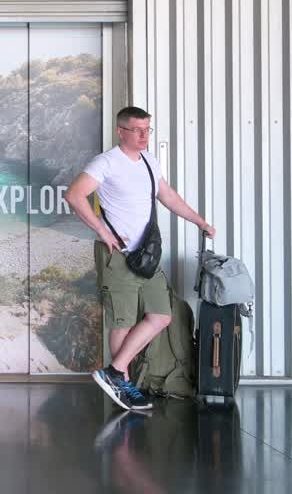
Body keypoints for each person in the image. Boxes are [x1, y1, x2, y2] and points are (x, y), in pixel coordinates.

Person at [65, 106, 215, 410]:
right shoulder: (106, 162)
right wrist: (102, 231)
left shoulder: (148, 161)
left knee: (161, 314)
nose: (144, 135)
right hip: (116, 255)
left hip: (145, 256)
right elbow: (74, 195)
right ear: (121, 131)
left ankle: (114, 372)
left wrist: (200, 222)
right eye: (137, 130)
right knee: (122, 321)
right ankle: (123, 385)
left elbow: (168, 195)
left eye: (147, 129)